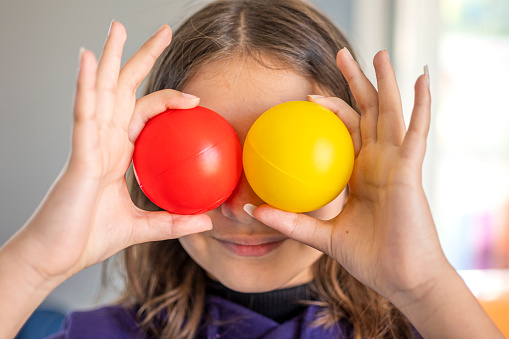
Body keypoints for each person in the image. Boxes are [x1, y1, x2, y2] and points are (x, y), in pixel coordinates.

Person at [0, 0, 503, 338]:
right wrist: (37, 261)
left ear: (353, 164)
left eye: (289, 158)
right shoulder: (99, 336)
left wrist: (423, 286)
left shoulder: (430, 324)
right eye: (201, 158)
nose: (243, 208)